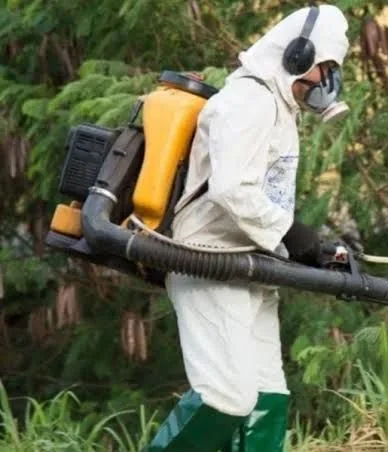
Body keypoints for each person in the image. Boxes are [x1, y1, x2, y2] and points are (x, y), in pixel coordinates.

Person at [145, 4, 350, 452]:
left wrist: (310, 248)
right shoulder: (248, 100)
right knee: (226, 399)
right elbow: (231, 188)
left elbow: (265, 194)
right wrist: (293, 235)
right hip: (207, 261)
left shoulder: (278, 108)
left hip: (252, 266)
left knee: (267, 399)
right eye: (325, 69)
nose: (327, 84)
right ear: (295, 56)